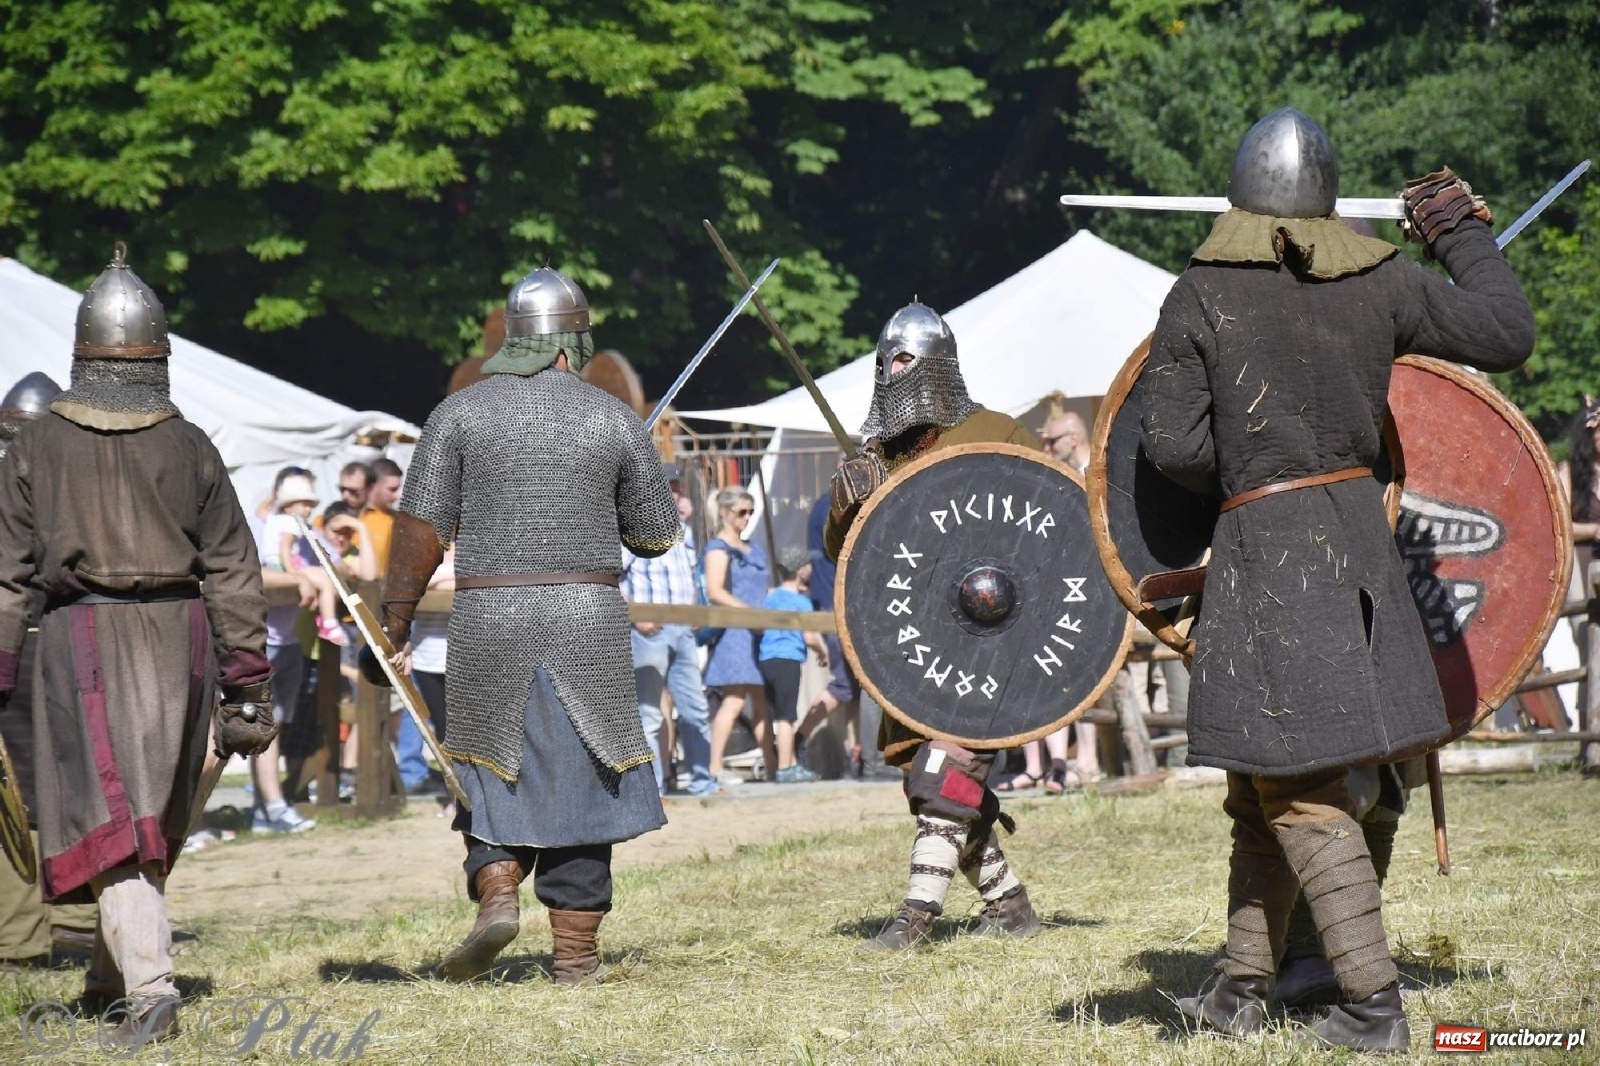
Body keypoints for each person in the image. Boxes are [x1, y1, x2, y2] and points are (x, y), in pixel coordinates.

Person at [1139, 109, 1534, 1052]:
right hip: (1358, 547)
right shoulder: (1382, 282)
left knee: (1303, 790)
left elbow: (1169, 443)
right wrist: (1460, 234)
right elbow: (1508, 331)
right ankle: (1242, 985)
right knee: (1263, 781)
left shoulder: (1202, 294)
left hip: (1267, 553)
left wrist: (1250, 460)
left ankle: (1372, 1005)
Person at [375, 265, 679, 985]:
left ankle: (499, 891)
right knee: (583, 781)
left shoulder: (458, 415)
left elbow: (419, 529)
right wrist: (625, 473)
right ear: (572, 346)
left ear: (513, 342)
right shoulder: (610, 417)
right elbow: (657, 535)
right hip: (584, 619)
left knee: (488, 770)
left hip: (490, 619)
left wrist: (396, 620)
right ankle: (574, 960)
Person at [0, 248, 275, 1044]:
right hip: (176, 640)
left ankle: (150, 991)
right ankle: (108, 974)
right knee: (139, 810)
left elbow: (9, 573)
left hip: (83, 640)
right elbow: (233, 569)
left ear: (82, 354)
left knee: (124, 813)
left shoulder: (37, 446)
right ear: (156, 355)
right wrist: (245, 679)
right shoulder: (189, 443)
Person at [824, 301, 1043, 951]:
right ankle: (1011, 907)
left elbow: (1050, 536)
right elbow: (852, 561)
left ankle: (915, 919)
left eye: (906, 360)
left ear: (937, 368)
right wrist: (849, 508)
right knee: (933, 780)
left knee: (941, 772)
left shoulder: (998, 433)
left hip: (987, 641)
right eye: (885, 361)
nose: (894, 371)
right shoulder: (877, 458)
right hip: (914, 647)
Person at [0, 371, 100, 970]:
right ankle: (45, 929)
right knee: (38, 788)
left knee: (65, 785)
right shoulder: (94, 486)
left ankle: (57, 928)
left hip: (61, 643)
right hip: (63, 644)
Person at [621, 465, 719, 798]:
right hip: (650, 631)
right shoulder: (634, 529)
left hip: (682, 630)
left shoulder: (684, 532)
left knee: (695, 708)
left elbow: (690, 575)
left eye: (678, 488)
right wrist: (637, 618)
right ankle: (654, 789)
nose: (677, 495)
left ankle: (703, 781)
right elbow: (612, 577)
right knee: (649, 713)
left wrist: (693, 609)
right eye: (671, 488)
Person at [704, 488, 772, 784]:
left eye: (750, 512)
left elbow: (762, 588)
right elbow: (715, 591)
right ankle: (715, 768)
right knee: (733, 700)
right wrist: (750, 615)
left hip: (760, 631)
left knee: (761, 701)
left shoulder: (753, 548)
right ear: (724, 512)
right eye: (742, 512)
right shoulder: (718, 548)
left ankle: (773, 768)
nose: (746, 518)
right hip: (735, 631)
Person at [759, 547, 827, 784]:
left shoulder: (770, 597)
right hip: (787, 657)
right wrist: (822, 651)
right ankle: (785, 767)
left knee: (773, 713)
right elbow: (809, 636)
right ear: (800, 570)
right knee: (787, 717)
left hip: (766, 658)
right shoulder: (801, 602)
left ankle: (778, 764)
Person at [264, 475, 348, 647]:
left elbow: (261, 511)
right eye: (304, 504)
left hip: (275, 564)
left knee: (324, 577)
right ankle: (329, 623)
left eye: (310, 505)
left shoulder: (273, 518)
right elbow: (285, 547)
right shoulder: (291, 522)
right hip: (286, 564)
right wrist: (293, 573)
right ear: (288, 505)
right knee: (326, 581)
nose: (308, 510)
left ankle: (322, 613)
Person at [398, 546, 454, 797]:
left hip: (466, 656)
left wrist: (437, 581)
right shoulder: (424, 550)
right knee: (443, 731)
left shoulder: (475, 543)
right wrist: (444, 579)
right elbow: (410, 584)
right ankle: (454, 795)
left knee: (468, 731)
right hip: (426, 658)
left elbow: (476, 580)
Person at [363, 457, 403, 575]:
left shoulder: (399, 521)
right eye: (392, 489)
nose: (398, 495)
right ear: (373, 486)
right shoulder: (350, 516)